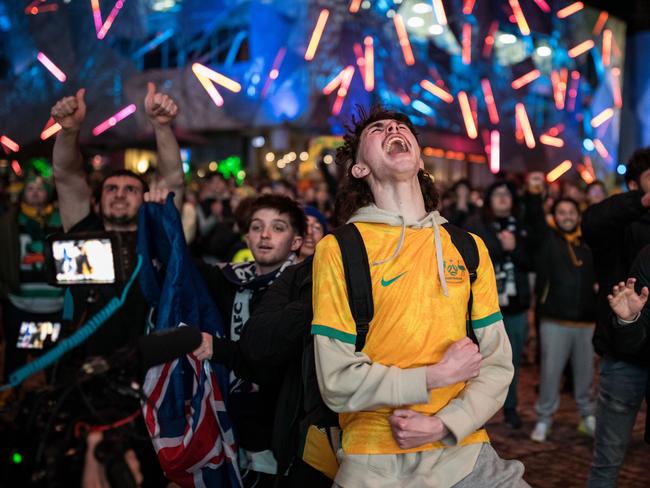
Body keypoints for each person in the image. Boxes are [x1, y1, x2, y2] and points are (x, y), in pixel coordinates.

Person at [310, 106, 526, 487]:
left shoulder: (468, 247)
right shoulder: (340, 249)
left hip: (466, 454)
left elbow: (496, 362)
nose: (393, 128)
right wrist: (434, 376)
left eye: (400, 127)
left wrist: (444, 424)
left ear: (420, 157)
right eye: (378, 129)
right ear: (360, 168)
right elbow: (336, 380)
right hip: (373, 462)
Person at [50, 83, 183, 487]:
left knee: (142, 471)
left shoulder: (157, 234)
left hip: (147, 376)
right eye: (111, 189)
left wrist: (162, 128)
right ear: (98, 200)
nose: (120, 195)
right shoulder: (82, 229)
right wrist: (70, 131)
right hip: (83, 372)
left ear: (145, 199)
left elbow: (174, 174)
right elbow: (66, 173)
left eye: (130, 190)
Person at [194, 194, 306, 488]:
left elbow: (273, 358)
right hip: (232, 425)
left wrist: (220, 350)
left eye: (278, 227)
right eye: (257, 227)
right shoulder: (231, 278)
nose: (265, 235)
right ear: (246, 237)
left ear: (296, 242)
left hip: (280, 432)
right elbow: (181, 265)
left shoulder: (305, 289)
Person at [582, 147, 650, 487]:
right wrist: (640, 202)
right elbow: (590, 223)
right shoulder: (618, 220)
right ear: (636, 184)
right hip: (623, 355)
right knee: (607, 461)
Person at [524, 172, 597, 442]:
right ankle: (544, 419)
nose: (567, 216)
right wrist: (533, 194)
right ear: (555, 215)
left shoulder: (589, 243)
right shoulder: (547, 240)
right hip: (554, 319)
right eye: (561, 212)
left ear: (578, 215)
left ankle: (587, 416)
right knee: (550, 374)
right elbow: (533, 219)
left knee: (586, 375)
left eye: (571, 212)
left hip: (586, 322)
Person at [465, 180, 532, 429]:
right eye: (498, 194)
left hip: (515, 307)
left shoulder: (522, 226)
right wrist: (499, 248)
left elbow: (531, 261)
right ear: (489, 198)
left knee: (510, 362)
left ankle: (511, 407)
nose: (503, 198)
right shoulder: (476, 225)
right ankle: (474, 412)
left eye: (507, 194)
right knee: (477, 363)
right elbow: (470, 260)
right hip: (483, 307)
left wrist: (513, 249)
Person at [0, 175, 63, 377]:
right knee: (16, 356)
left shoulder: (60, 219)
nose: (35, 192)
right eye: (30, 188)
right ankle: (12, 397)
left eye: (40, 188)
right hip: (20, 304)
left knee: (50, 357)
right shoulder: (10, 221)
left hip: (53, 304)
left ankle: (49, 401)